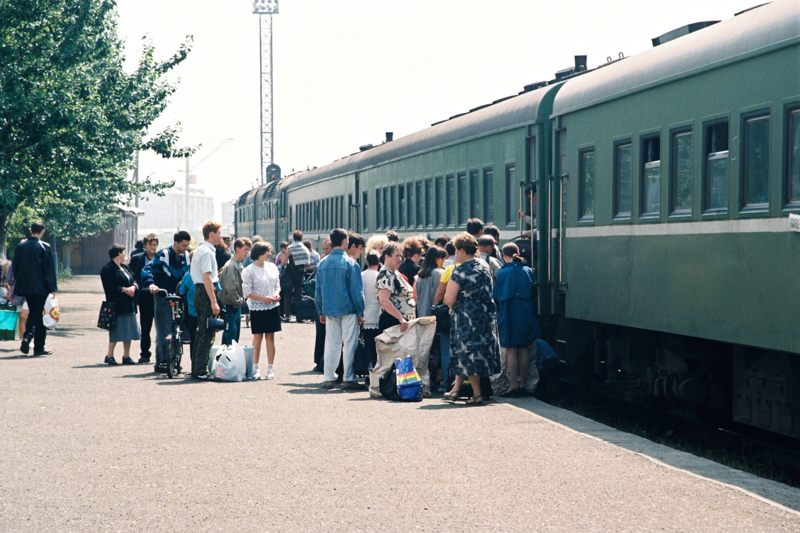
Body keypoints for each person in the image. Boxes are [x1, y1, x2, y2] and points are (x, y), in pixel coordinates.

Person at [443, 233, 500, 405]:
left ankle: (477, 394)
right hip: (485, 315)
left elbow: (449, 299)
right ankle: (455, 389)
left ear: (461, 250)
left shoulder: (460, 270)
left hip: (467, 318)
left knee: (468, 353)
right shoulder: (484, 264)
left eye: (455, 251)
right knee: (468, 353)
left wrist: (451, 304)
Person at [315, 228, 365, 390]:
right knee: (349, 343)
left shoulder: (323, 263)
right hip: (349, 309)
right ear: (344, 242)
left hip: (329, 309)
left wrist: (320, 310)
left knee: (331, 343)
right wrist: (360, 312)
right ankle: (348, 377)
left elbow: (318, 290)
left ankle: (329, 377)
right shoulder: (351, 263)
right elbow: (357, 292)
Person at [141, 231, 191, 373]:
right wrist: (151, 284)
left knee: (180, 328)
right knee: (164, 329)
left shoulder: (186, 256)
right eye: (184, 245)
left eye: (187, 245)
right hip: (163, 295)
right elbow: (147, 269)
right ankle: (162, 361)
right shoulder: (163, 255)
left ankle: (176, 356)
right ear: (175, 243)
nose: (186, 248)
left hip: (180, 297)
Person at [494, 242, 540, 397]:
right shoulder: (527, 270)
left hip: (508, 311)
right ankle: (524, 385)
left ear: (504, 256)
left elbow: (496, 296)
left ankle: (513, 386)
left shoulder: (502, 273)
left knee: (511, 350)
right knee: (524, 348)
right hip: (525, 311)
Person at [12, 221, 57, 356]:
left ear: (30, 230)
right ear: (43, 232)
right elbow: (49, 269)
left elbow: (16, 267)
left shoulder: (20, 246)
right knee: (39, 315)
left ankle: (29, 338)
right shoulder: (45, 247)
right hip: (41, 287)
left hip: (26, 286)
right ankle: (36, 344)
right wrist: (51, 287)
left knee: (34, 312)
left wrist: (20, 281)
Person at [242, 241, 281, 380]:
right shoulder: (248, 270)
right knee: (257, 337)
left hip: (272, 306)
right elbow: (247, 292)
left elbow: (277, 285)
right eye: (267, 252)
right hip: (257, 307)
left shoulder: (272, 267)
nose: (270, 254)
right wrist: (263, 299)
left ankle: (270, 368)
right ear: (259, 254)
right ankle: (255, 368)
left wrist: (276, 294)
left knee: (270, 336)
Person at [190, 221, 223, 380]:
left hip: (200, 290)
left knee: (201, 330)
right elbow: (207, 277)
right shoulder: (208, 252)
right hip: (206, 291)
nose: (220, 237)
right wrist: (213, 301)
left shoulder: (200, 250)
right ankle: (201, 370)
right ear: (212, 234)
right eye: (219, 233)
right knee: (206, 332)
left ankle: (197, 368)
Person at [100, 244, 140, 365]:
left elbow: (134, 280)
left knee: (128, 330)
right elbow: (109, 286)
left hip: (129, 304)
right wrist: (124, 289)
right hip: (116, 304)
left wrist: (133, 287)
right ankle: (110, 355)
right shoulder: (107, 269)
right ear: (118, 254)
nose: (125, 254)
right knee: (116, 330)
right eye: (123, 252)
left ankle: (126, 356)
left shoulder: (125, 267)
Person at [130, 233, 158, 364]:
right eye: (150, 245)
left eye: (155, 245)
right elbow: (130, 274)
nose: (153, 247)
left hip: (158, 295)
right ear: (145, 245)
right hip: (144, 297)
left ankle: (162, 355)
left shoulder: (161, 258)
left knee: (161, 327)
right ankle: (145, 354)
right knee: (145, 327)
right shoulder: (137, 259)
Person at [376, 242, 416, 333]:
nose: (400, 259)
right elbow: (384, 300)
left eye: (401, 256)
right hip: (393, 322)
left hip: (402, 323)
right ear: (387, 256)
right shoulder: (385, 274)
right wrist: (401, 318)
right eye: (397, 256)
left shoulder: (395, 272)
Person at [218, 237, 252, 346]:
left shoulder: (239, 264)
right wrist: (240, 301)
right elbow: (230, 289)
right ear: (237, 249)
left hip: (235, 306)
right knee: (230, 338)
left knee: (234, 337)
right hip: (231, 306)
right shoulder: (231, 266)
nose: (247, 252)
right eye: (245, 249)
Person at [361, 251, 382, 369]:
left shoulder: (361, 275)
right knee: (377, 348)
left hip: (364, 315)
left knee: (367, 345)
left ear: (367, 261)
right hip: (378, 315)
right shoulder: (380, 276)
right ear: (379, 262)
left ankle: (367, 370)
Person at [413, 246, 446, 319]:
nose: (444, 261)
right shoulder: (438, 273)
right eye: (442, 258)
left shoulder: (420, 274)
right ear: (436, 259)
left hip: (421, 313)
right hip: (434, 315)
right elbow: (438, 294)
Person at [285, 230, 309, 322]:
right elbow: (307, 263)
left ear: (293, 237)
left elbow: (284, 262)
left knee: (287, 293)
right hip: (300, 273)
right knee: (298, 295)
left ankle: (287, 315)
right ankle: (299, 316)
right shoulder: (305, 248)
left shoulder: (290, 248)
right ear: (301, 238)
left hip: (290, 272)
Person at [177, 258, 198, 360]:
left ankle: (194, 365)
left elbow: (181, 292)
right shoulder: (209, 275)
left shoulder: (188, 276)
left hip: (192, 312)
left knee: (193, 340)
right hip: (206, 312)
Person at [3, 260, 28, 339]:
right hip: (17, 294)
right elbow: (7, 280)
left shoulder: (31, 262)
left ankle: (28, 338)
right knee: (22, 316)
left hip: (29, 293)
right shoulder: (14, 264)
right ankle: (24, 340)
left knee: (25, 315)